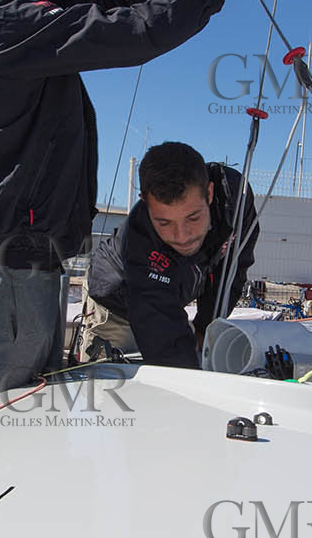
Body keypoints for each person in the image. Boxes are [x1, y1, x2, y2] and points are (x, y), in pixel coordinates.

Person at [0, 0, 252, 407]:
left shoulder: (22, 14)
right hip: (4, 273)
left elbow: (110, 1)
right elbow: (124, 32)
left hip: (27, 269)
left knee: (21, 433)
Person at [79, 141, 258, 368]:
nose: (181, 236)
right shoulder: (139, 239)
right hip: (116, 301)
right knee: (111, 386)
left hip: (170, 297)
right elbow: (158, 323)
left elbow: (233, 267)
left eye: (193, 218)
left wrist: (205, 325)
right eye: (164, 222)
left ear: (210, 193)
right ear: (145, 204)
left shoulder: (235, 201)